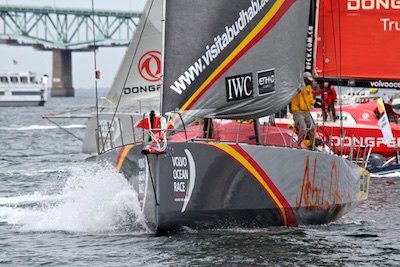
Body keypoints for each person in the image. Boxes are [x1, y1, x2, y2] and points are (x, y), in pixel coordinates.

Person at [291, 72, 316, 148]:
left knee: (313, 127)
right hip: (298, 111)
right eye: (308, 80)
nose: (309, 81)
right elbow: (301, 99)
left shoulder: (308, 88)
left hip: (306, 112)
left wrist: (315, 102)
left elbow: (310, 99)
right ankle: (298, 145)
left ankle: (313, 145)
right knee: (303, 127)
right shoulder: (297, 87)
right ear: (304, 79)